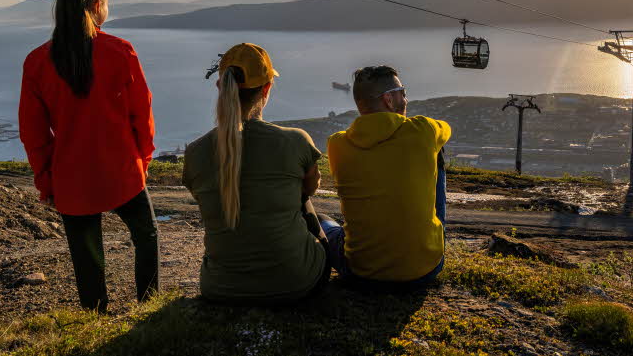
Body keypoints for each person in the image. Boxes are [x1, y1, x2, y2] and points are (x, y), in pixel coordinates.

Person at [19, 0, 158, 313]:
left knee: (86, 255)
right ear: (97, 3)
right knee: (146, 237)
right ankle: (149, 308)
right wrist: (143, 159)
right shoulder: (120, 51)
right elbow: (143, 116)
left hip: (71, 179)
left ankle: (95, 319)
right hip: (123, 170)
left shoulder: (37, 63)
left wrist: (46, 181)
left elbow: (33, 133)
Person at [182, 43, 329, 304]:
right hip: (297, 282)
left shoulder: (195, 153)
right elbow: (310, 190)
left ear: (220, 87)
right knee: (308, 204)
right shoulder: (295, 141)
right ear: (267, 89)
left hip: (220, 288)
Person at [323, 65, 450, 289]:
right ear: (389, 100)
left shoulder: (337, 144)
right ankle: (428, 240)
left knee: (322, 222)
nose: (406, 97)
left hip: (361, 270)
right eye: (403, 91)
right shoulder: (423, 131)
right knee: (437, 150)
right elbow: (446, 130)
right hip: (424, 269)